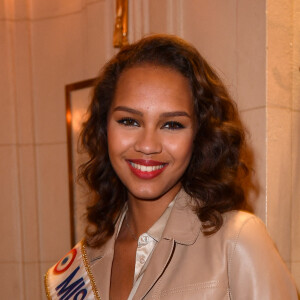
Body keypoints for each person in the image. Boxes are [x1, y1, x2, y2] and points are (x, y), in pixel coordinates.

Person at [45, 34, 298, 300]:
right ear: (103, 128)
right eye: (129, 121)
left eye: (172, 124)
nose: (147, 145)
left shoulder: (237, 243)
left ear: (199, 136)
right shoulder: (81, 266)